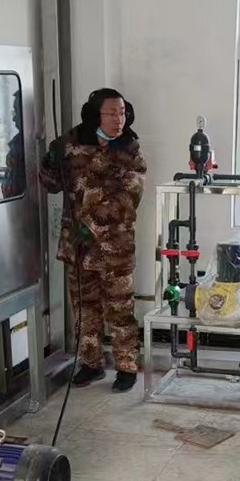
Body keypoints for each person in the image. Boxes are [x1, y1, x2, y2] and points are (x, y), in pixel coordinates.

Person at [39, 88, 146, 392]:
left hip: (114, 248)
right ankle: (90, 363)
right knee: (84, 310)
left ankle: (126, 367)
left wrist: (93, 220)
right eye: (111, 113)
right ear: (95, 115)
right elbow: (51, 185)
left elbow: (130, 197)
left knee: (120, 310)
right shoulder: (71, 145)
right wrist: (51, 160)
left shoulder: (129, 149)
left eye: (122, 113)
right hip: (78, 247)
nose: (118, 119)